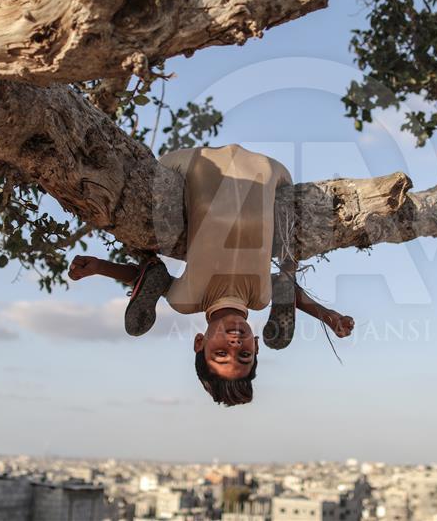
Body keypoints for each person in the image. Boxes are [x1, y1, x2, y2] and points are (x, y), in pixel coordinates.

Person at [68, 144, 354, 406]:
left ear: (199, 343)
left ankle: (151, 266)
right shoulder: (259, 297)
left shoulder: (187, 299)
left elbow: (148, 281)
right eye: (244, 354)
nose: (233, 345)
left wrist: (100, 267)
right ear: (255, 345)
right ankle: (286, 279)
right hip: (271, 171)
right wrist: (328, 316)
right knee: (283, 280)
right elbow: (298, 298)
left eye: (220, 354)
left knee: (155, 273)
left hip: (197, 162)